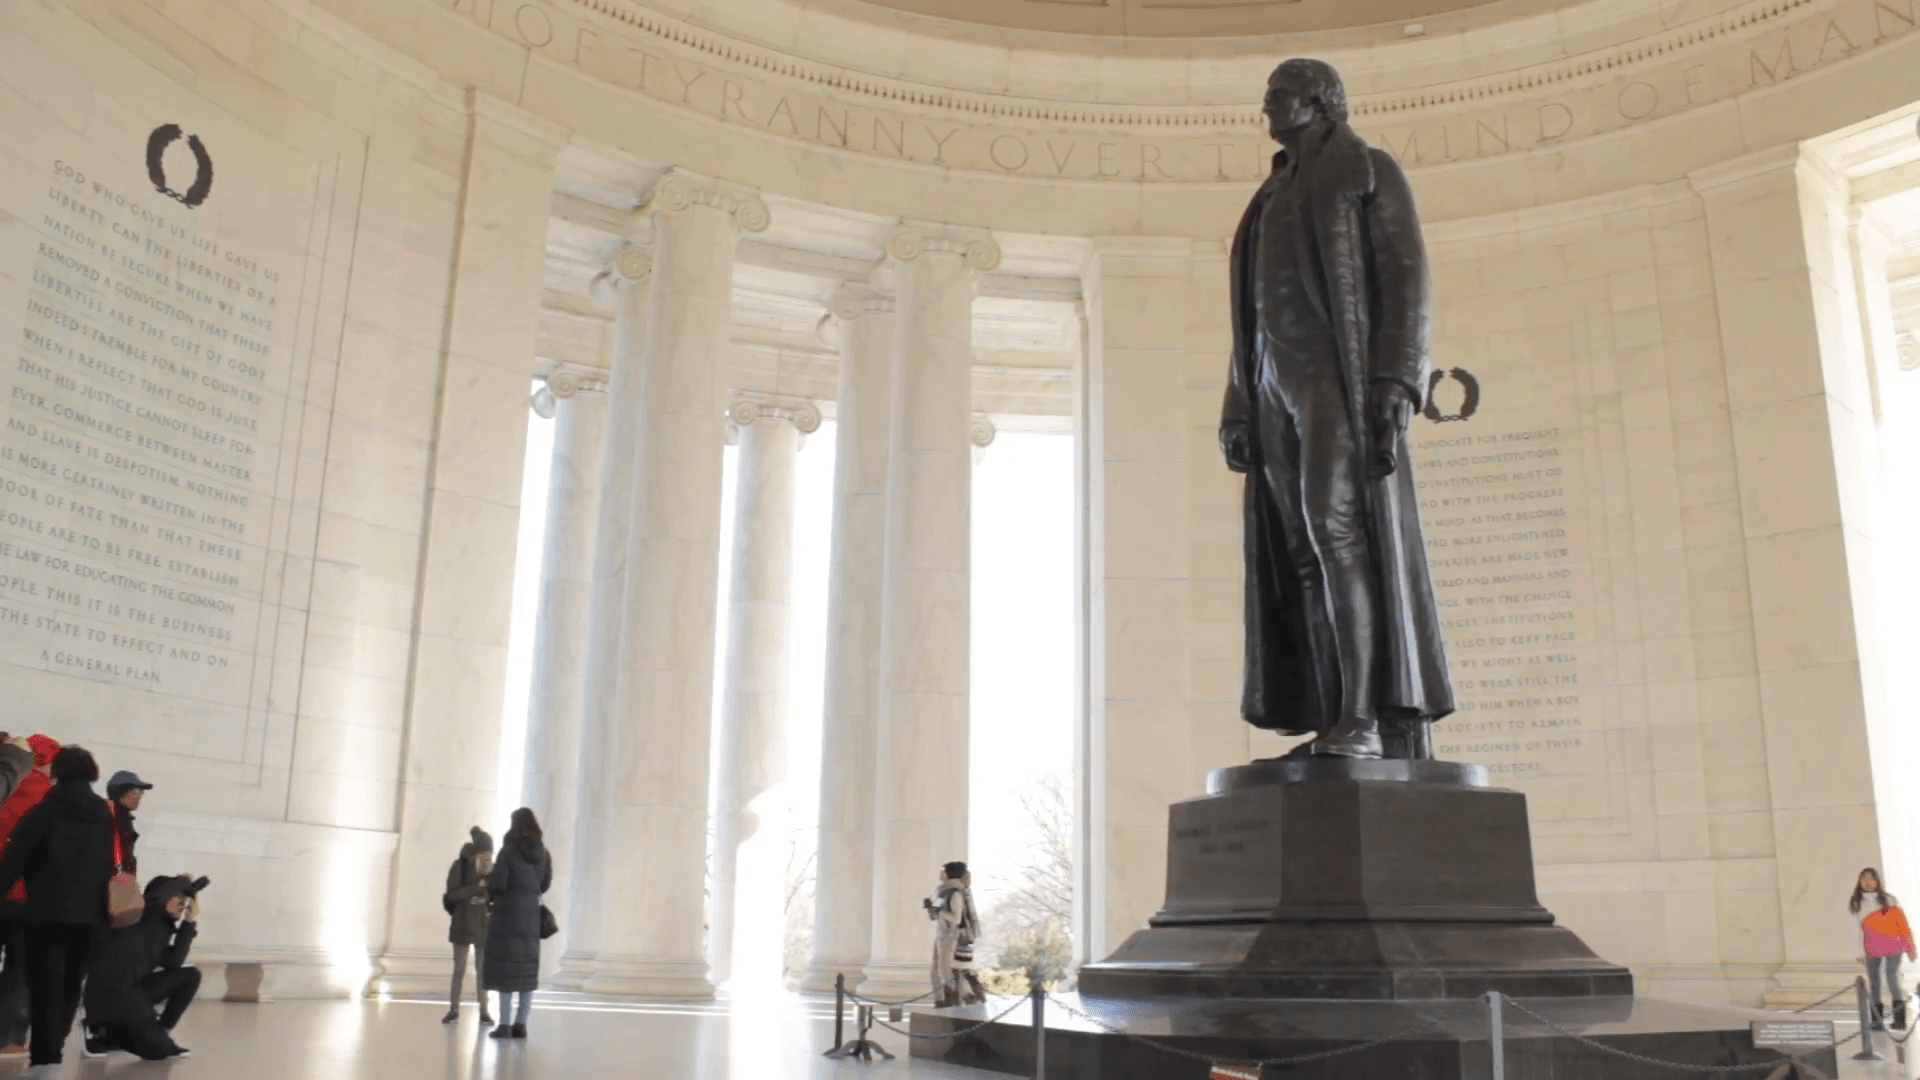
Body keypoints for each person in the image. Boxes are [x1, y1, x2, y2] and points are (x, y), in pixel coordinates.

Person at [1219, 57, 1452, 759]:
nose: (1266, 108)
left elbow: (1406, 277)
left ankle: (1365, 719)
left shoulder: (1365, 169)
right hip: (1271, 385)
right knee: (1300, 556)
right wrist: (1237, 402)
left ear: (1319, 101)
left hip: (1334, 376)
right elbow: (1250, 314)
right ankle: (1332, 714)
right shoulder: (1268, 197)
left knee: (1337, 533)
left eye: (1278, 95)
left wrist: (1396, 383)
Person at [0, 745, 115, 1068]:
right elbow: (111, 864)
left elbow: (13, 861)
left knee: (44, 987)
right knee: (69, 987)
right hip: (92, 919)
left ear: (57, 772)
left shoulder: (44, 812)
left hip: (46, 915)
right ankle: (57, 1042)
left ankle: (46, 1062)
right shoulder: (104, 815)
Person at [81, 875, 200, 1060]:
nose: (183, 906)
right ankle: (100, 1030)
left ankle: (115, 1033)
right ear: (163, 896)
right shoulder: (145, 919)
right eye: (179, 900)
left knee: (190, 975)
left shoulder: (158, 924)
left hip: (130, 991)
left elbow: (174, 961)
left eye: (185, 902)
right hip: (114, 996)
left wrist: (189, 921)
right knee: (159, 1051)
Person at [0, 736, 61, 1056]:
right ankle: (8, 1039)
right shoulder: (52, 799)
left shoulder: (5, 784)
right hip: (27, 896)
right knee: (20, 967)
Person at [482, 808, 550, 1040]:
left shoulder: (509, 850)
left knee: (506, 972)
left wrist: (488, 884)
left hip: (508, 916)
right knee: (526, 973)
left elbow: (498, 883)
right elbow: (546, 882)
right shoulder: (543, 853)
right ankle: (521, 1024)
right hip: (531, 916)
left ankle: (503, 1024)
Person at [1852, 868, 1916, 1030]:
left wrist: (1910, 947)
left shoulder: (1889, 900)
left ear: (1877, 881)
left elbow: (1901, 923)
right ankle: (1876, 1020)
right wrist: (1858, 952)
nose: (1868, 882)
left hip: (1892, 944)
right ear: (1859, 882)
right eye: (1864, 879)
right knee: (1874, 981)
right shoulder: (1856, 903)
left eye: (1871, 878)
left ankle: (1899, 1019)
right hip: (1872, 945)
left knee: (1892, 976)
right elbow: (1857, 930)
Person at [443, 827, 495, 1025]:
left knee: (483, 971)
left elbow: (494, 896)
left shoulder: (490, 868)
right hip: (462, 924)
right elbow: (452, 895)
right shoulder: (460, 866)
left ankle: (484, 1010)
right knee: (459, 968)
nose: (488, 857)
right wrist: (478, 886)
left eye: (490, 854)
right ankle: (454, 1008)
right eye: (486, 853)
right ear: (477, 852)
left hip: (483, 925)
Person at [925, 862, 984, 1007]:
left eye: (943, 871)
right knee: (935, 971)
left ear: (948, 873)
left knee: (946, 972)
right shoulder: (943, 891)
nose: (941, 874)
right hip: (941, 935)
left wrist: (938, 912)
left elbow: (956, 918)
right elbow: (936, 915)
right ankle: (940, 999)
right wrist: (931, 909)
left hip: (950, 937)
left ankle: (967, 996)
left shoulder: (955, 893)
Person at [104, 771, 152, 877]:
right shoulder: (111, 817)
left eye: (141, 792)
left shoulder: (123, 818)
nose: (139, 796)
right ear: (120, 793)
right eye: (135, 791)